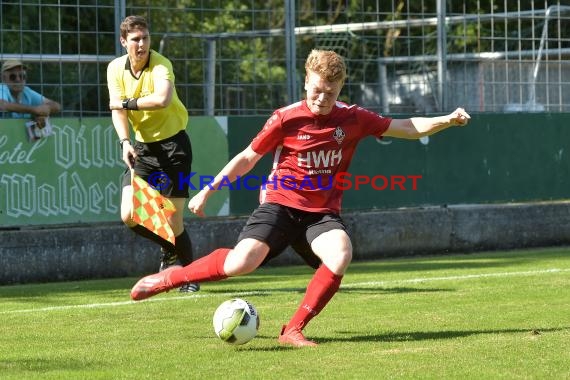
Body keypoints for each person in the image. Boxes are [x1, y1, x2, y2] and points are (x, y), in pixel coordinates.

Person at [130, 49, 471, 347]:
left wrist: (447, 120)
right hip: (280, 203)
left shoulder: (353, 118)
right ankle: (172, 277)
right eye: (318, 90)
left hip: (320, 214)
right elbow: (249, 157)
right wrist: (209, 189)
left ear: (340, 89)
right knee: (241, 264)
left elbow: (407, 127)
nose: (323, 98)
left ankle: (292, 329)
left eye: (331, 91)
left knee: (340, 253)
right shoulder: (286, 117)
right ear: (306, 81)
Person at [106, 15, 199, 293]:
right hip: (142, 148)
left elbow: (162, 99)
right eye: (135, 39)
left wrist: (124, 101)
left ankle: (190, 277)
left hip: (175, 148)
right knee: (129, 215)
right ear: (124, 42)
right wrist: (124, 142)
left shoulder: (161, 64)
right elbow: (117, 112)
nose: (142, 44)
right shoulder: (114, 69)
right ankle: (170, 250)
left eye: (145, 37)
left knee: (174, 219)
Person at [0, 60, 61, 125]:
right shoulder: (2, 88)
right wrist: (34, 110)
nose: (18, 79)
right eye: (12, 77)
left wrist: (42, 112)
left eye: (22, 76)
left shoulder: (26, 91)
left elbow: (57, 106)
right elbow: (2, 105)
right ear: (3, 79)